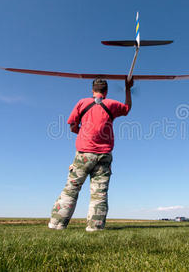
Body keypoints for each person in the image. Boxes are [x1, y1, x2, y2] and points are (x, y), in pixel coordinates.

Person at [49, 77, 133, 231]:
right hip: (104, 155)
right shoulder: (112, 104)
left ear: (92, 90)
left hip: (83, 154)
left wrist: (81, 131)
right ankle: (95, 227)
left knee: (71, 188)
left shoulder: (82, 103)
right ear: (106, 91)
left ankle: (57, 225)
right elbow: (127, 108)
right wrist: (127, 88)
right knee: (99, 193)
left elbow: (73, 125)